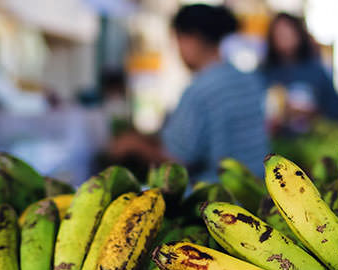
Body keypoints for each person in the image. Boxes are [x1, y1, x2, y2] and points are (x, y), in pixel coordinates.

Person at [110, 4, 269, 182]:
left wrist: (134, 146)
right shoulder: (249, 79)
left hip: (216, 199)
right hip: (257, 191)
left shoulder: (200, 91)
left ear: (191, 39)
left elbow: (178, 161)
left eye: (177, 41)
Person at [261, 12, 338, 133]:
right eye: (279, 34)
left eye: (287, 33)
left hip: (311, 141)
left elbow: (337, 110)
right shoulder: (264, 73)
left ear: (298, 35)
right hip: (276, 142)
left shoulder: (315, 71)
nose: (284, 39)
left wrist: (312, 113)